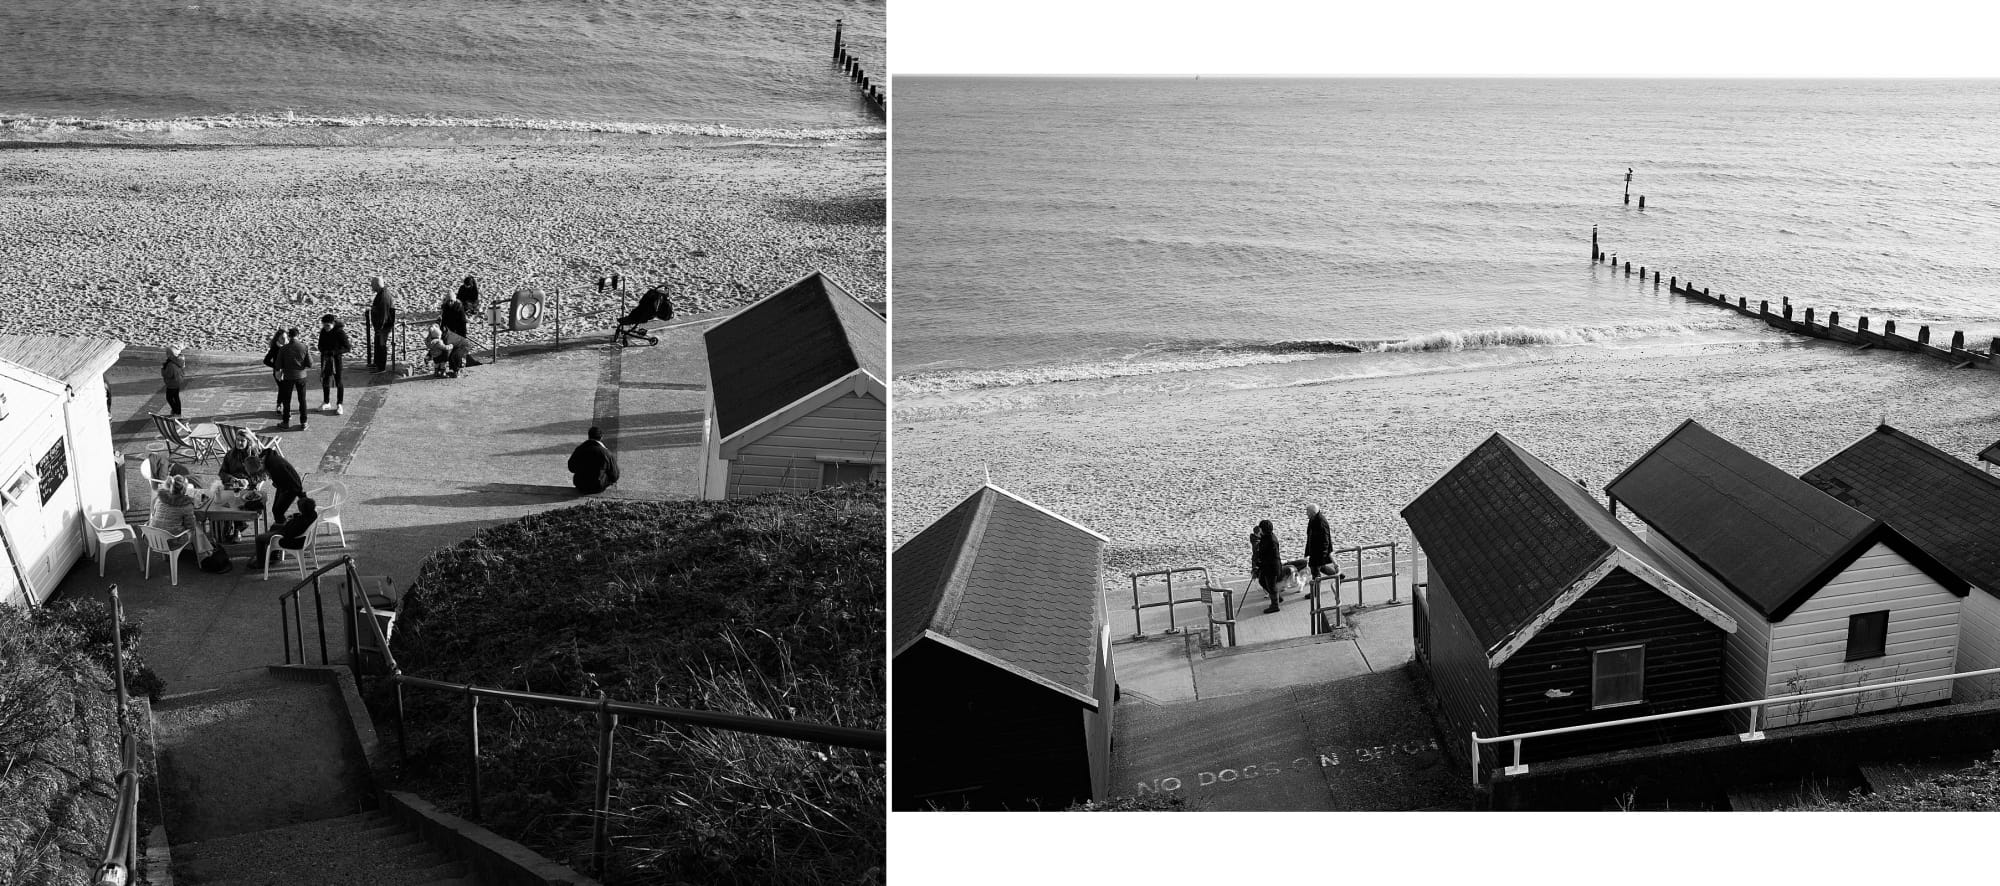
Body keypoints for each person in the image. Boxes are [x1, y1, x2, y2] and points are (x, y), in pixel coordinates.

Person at [148, 475, 211, 558]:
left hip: (153, 538)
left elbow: (154, 513)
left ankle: (206, 551)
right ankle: (204, 554)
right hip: (173, 542)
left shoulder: (160, 498)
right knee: (196, 527)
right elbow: (190, 527)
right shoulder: (186, 505)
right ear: (184, 489)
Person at [252, 495, 317, 568]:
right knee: (274, 526)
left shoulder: (300, 522)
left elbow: (289, 532)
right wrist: (294, 517)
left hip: (290, 539)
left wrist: (288, 523)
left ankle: (260, 563)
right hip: (298, 535)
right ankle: (274, 555)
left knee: (259, 538)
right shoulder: (313, 514)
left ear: (303, 510)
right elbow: (301, 518)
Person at [261, 439, 305, 523]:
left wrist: (301, 496)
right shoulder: (268, 458)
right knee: (276, 510)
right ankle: (281, 526)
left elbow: (293, 483)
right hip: (284, 485)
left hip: (291, 488)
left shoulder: (275, 467)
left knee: (278, 512)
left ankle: (283, 530)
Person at [317, 313, 352, 415]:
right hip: (325, 359)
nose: (326, 328)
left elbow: (347, 347)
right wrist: (323, 350)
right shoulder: (323, 331)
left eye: (328, 326)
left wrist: (334, 352)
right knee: (325, 380)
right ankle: (326, 402)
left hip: (336, 360)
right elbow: (320, 344)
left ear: (333, 324)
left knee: (338, 382)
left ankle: (339, 404)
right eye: (324, 325)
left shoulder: (339, 332)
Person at [277, 328, 313, 429]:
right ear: (298, 335)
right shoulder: (304, 347)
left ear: (289, 336)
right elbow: (310, 363)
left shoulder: (283, 349)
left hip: (288, 377)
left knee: (286, 400)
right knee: (302, 400)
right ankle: (304, 422)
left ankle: (285, 422)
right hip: (301, 376)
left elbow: (278, 364)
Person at [567, 426, 619, 494]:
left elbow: (571, 468)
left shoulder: (580, 449)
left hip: (581, 485)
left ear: (589, 436)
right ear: (601, 437)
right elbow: (615, 475)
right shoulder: (606, 453)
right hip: (598, 486)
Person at [441, 291, 482, 366]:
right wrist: (442, 331)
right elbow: (443, 321)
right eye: (449, 301)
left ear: (454, 300)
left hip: (458, 331)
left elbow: (463, 323)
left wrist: (463, 335)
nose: (450, 302)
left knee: (459, 349)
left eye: (451, 301)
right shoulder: (446, 308)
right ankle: (456, 365)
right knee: (452, 350)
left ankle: (462, 364)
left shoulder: (459, 307)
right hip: (449, 331)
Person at [1251, 519, 1282, 614]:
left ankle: (1275, 605)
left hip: (1271, 567)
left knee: (1271, 586)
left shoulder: (1271, 540)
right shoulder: (1266, 537)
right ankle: (1277, 597)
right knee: (1262, 581)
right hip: (1266, 566)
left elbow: (1269, 557)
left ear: (1263, 529)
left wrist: (1259, 565)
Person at [367, 275, 397, 373]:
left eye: (372, 285)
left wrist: (379, 328)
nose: (371, 287)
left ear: (377, 285)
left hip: (383, 326)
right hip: (382, 325)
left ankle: (380, 367)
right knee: (378, 344)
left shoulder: (383, 296)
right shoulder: (383, 293)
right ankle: (377, 363)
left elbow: (383, 314)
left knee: (381, 345)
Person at [261, 328, 288, 414]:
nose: (284, 340)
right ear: (278, 339)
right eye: (282, 338)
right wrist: (276, 367)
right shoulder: (275, 348)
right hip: (278, 372)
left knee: (284, 389)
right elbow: (266, 361)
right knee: (283, 389)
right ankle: (282, 407)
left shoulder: (289, 346)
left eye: (285, 338)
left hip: (288, 372)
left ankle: (280, 405)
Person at [1306, 504, 1337, 579]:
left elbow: (1325, 539)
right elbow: (1310, 536)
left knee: (1315, 569)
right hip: (1314, 550)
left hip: (1319, 551)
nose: (1306, 514)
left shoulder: (1320, 521)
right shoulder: (1313, 519)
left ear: (1313, 513)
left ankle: (1316, 589)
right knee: (1321, 567)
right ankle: (1338, 576)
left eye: (1308, 512)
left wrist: (1324, 553)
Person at [161, 344, 187, 417]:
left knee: (169, 398)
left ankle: (176, 411)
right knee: (176, 397)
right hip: (177, 382)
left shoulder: (171, 364)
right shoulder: (178, 361)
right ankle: (178, 411)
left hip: (172, 383)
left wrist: (163, 370)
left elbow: (168, 375)